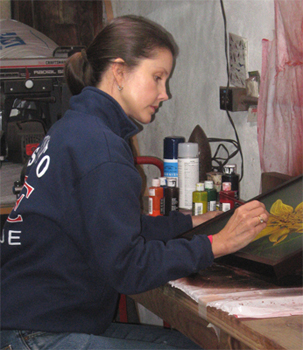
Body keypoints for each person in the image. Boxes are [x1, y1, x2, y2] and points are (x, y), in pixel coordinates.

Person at [1, 15, 269, 350]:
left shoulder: (74, 128)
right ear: (119, 72)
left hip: (31, 320)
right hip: (37, 335)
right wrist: (216, 245)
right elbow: (126, 267)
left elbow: (106, 227)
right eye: (157, 77)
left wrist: (188, 223)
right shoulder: (103, 150)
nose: (165, 93)